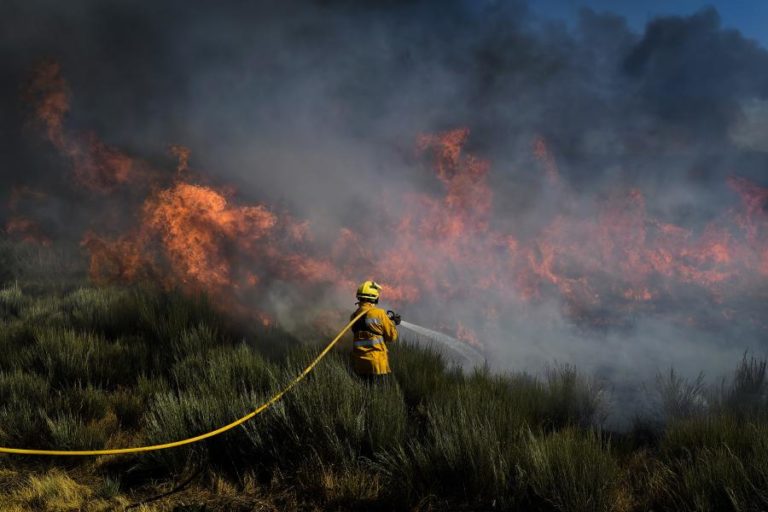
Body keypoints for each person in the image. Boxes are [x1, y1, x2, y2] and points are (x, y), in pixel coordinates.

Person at [350, 280, 400, 381]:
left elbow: (367, 329)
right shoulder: (380, 314)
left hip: (360, 365)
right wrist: (393, 323)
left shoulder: (354, 316)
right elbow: (392, 337)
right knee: (379, 393)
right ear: (375, 298)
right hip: (377, 364)